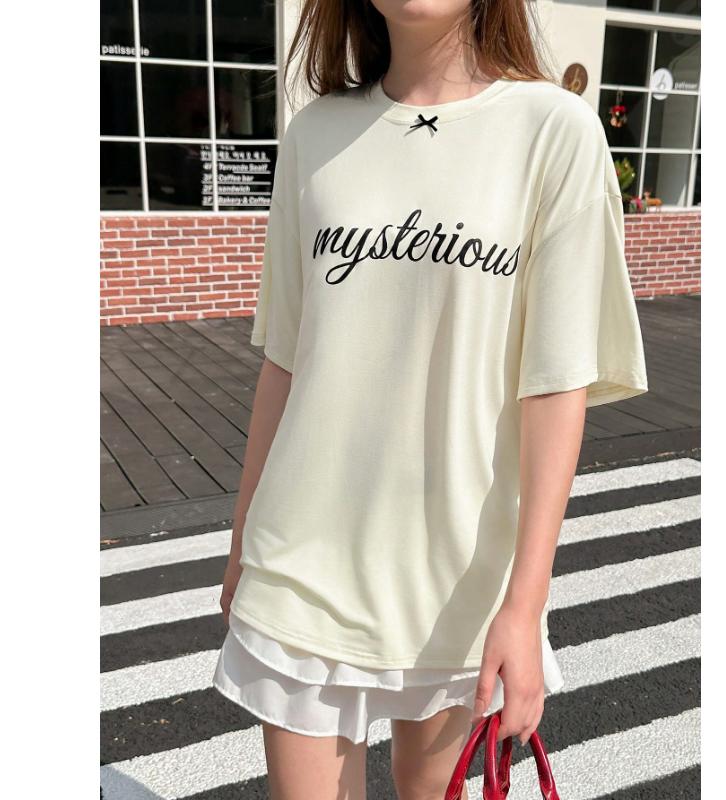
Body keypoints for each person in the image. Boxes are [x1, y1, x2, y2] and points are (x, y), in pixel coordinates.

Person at [212, 1, 648, 797]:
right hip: (301, 559)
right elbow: (286, 360)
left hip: (459, 576)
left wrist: (525, 605)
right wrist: (244, 539)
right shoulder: (314, 134)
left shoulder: (554, 131)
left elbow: (556, 383)